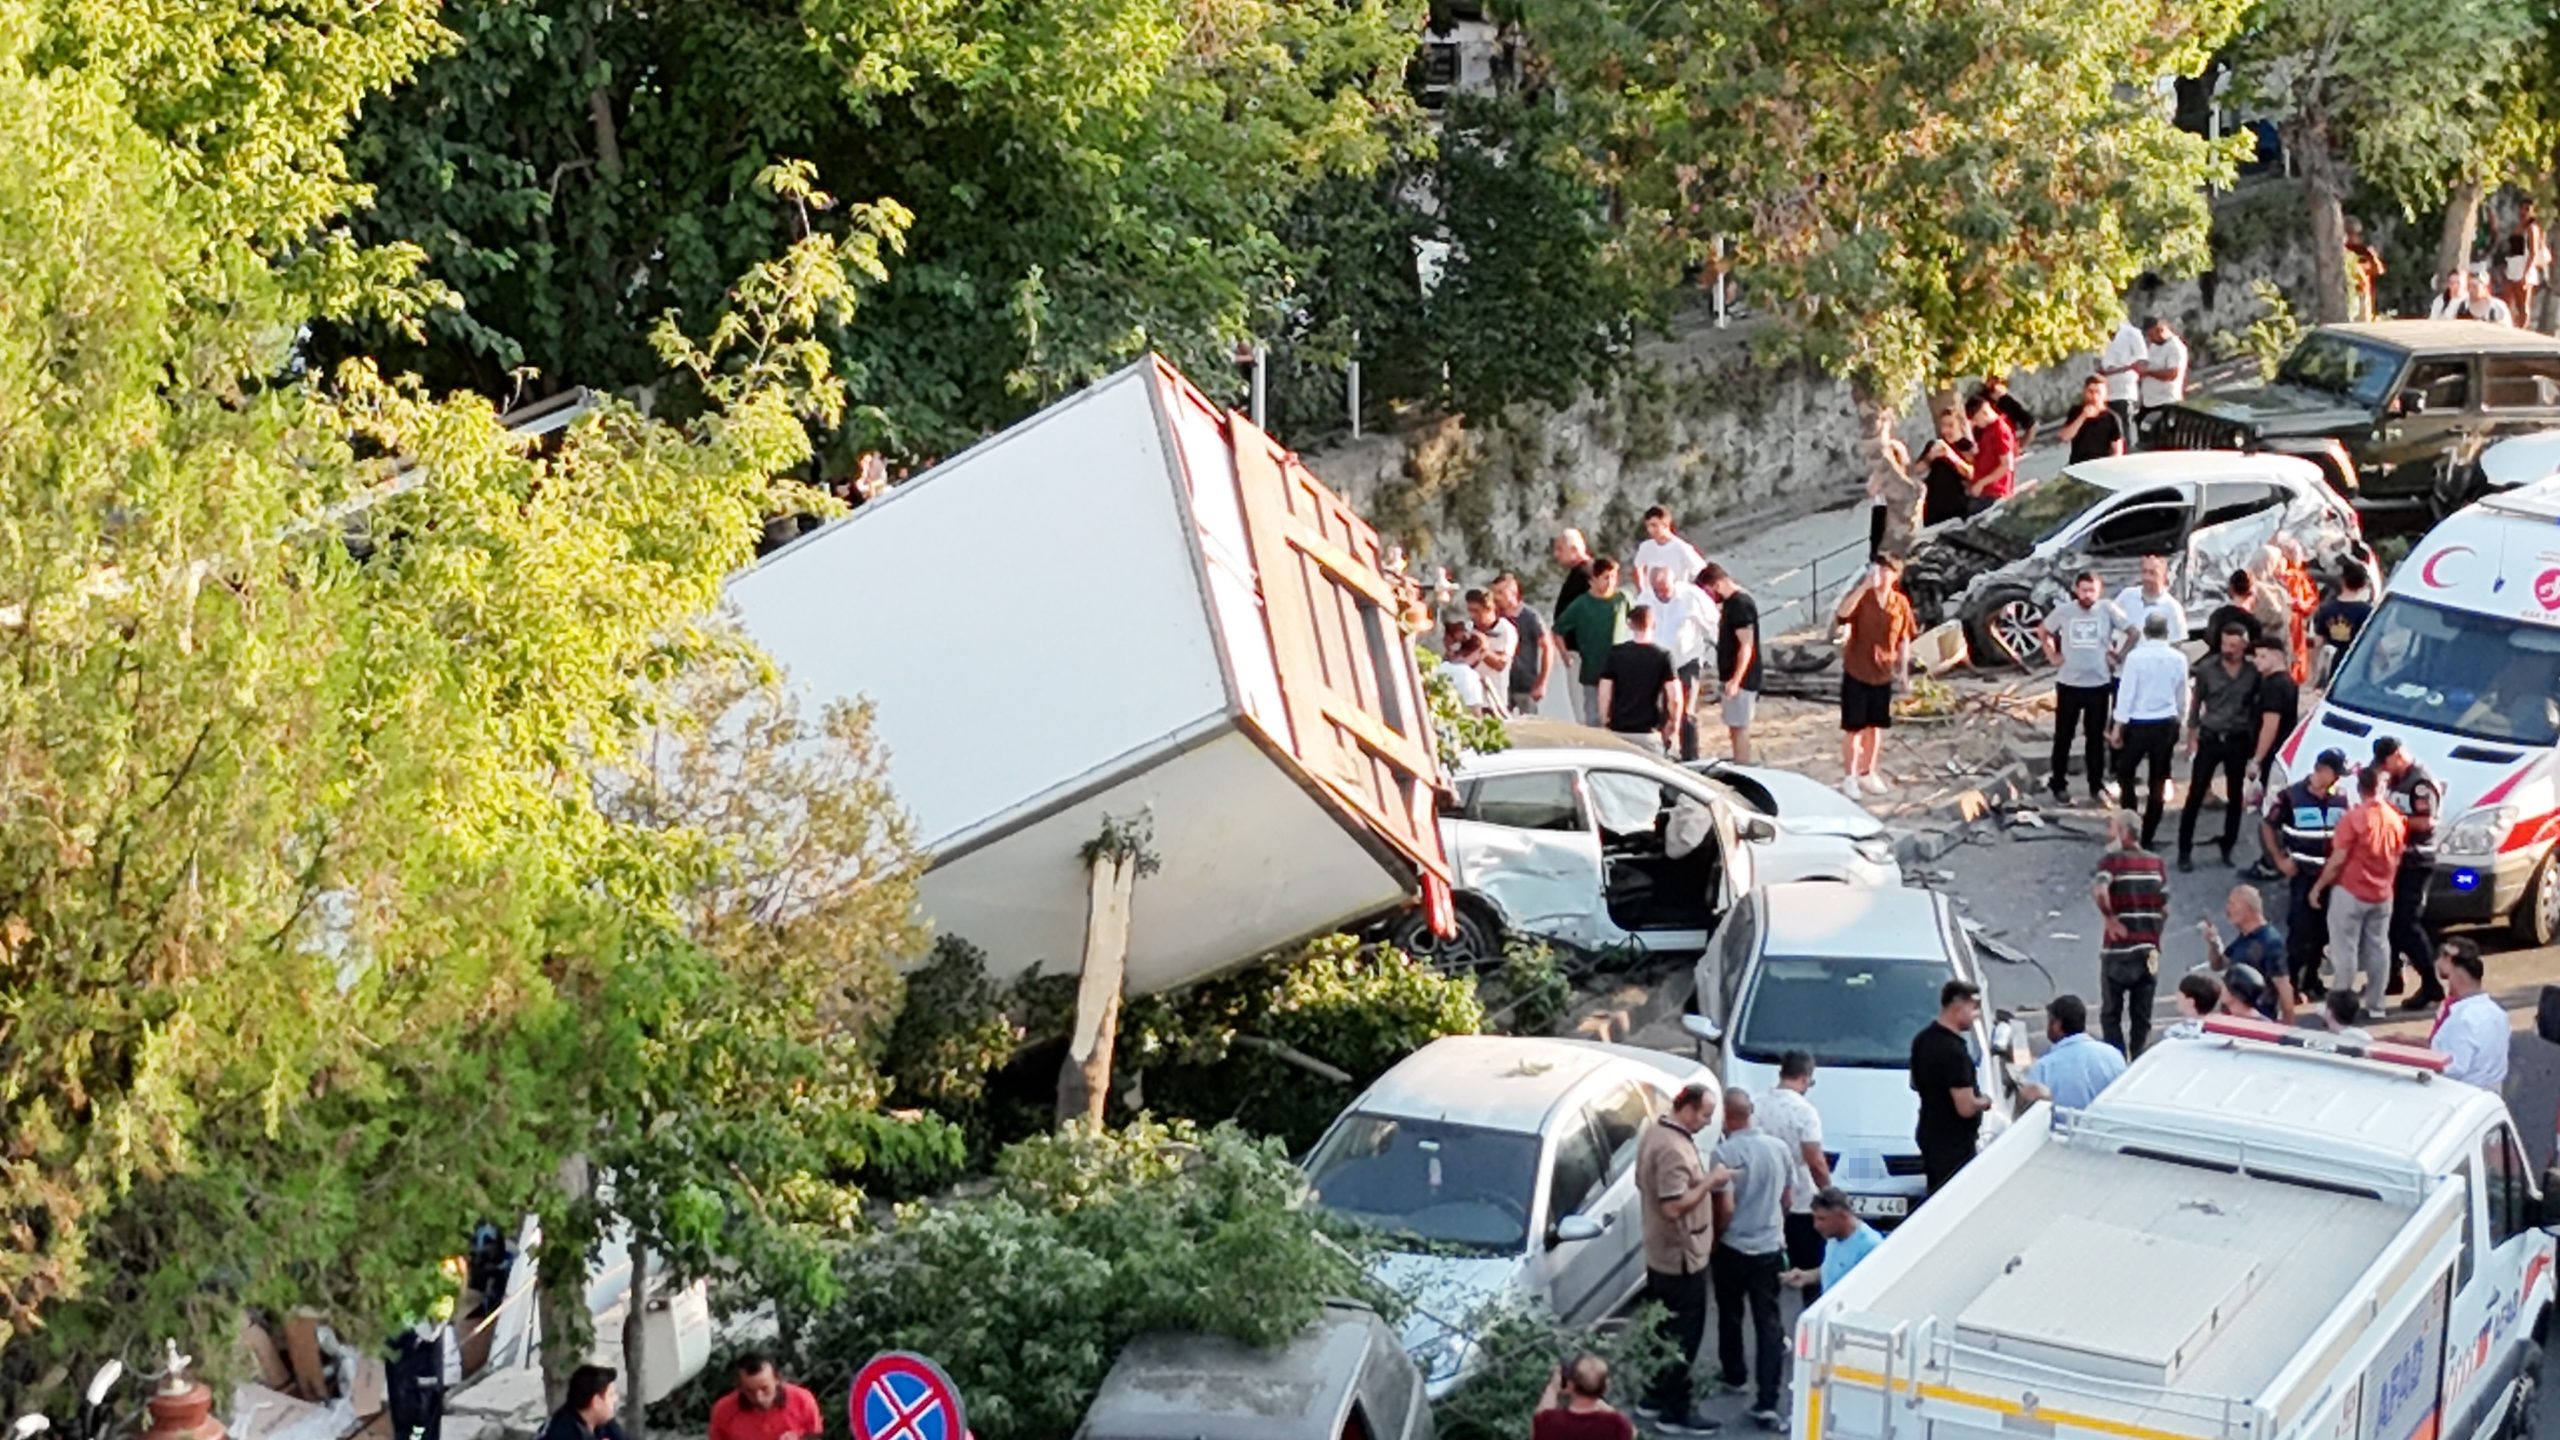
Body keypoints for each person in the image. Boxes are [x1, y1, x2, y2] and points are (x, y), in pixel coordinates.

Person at [1634, 1083, 1729, 1435]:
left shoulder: (1653, 1130)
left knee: (1661, 1329)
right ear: (1686, 1108)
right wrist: (1709, 1183)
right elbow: (1673, 1206)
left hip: (1660, 1250)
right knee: (1684, 1337)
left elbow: (1643, 1183)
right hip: (1681, 1256)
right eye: (1704, 1114)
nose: (1707, 1122)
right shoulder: (1673, 1149)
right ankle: (1676, 1411)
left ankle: (1654, 1395)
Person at [1710, 1090, 1791, 1429]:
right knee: (1768, 1322)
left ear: (1726, 1117)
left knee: (1730, 1314)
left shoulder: (1724, 1153)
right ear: (1751, 1112)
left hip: (1733, 1247)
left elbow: (1725, 1207)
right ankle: (1768, 1399)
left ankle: (1735, 1374)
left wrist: (1716, 1238)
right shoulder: (1779, 1148)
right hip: (1769, 1247)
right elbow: (1787, 1197)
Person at [2313, 765, 2406, 1019]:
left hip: (2351, 891)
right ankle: (2376, 1005)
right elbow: (2398, 855)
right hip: (2383, 892)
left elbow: (2338, 860)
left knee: (2345, 950)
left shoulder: (2353, 819)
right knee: (2379, 948)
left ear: (2359, 788)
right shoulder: (2395, 819)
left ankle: (2339, 1005)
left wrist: (2319, 887)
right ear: (2381, 787)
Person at [2264, 749, 2351, 1002]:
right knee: (2300, 931)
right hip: (2303, 874)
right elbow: (2268, 826)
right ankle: (2288, 983)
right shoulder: (2292, 796)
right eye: (2335, 774)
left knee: (2323, 932)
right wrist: (2279, 859)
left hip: (2331, 877)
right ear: (2321, 770)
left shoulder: (2341, 797)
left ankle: (2312, 979)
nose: (2338, 780)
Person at [2177, 621, 2261, 872]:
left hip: (2238, 739)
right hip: (2211, 737)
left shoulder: (2253, 673)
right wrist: (2191, 737)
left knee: (2235, 796)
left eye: (2233, 646)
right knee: (2195, 795)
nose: (2228, 650)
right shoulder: (2207, 669)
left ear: (2243, 646)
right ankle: (2184, 851)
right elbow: (2196, 705)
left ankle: (2228, 846)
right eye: (2225, 644)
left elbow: (2256, 708)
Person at [2373, 737, 2446, 1009]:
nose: (2384, 769)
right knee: (2389, 920)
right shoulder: (2394, 779)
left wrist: (2393, 821)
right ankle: (2391, 977)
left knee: (2407, 925)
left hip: (2417, 861)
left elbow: (2427, 822)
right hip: (2397, 861)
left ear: (2397, 755)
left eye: (2385, 763)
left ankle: (2432, 984)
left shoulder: (2420, 782)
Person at [1835, 557, 1915, 799]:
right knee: (1854, 727)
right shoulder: (1863, 597)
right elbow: (1842, 614)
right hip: (1857, 669)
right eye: (1877, 569)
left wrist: (1904, 671)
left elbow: (1904, 638)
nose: (1879, 573)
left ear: (1895, 576)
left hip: (1883, 672)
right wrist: (1863, 587)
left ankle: (1867, 771)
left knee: (1875, 726)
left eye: (1885, 570)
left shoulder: (1900, 603)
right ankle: (1849, 776)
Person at [1756, 1052, 1832, 1303]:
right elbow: (1815, 1161)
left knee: (1768, 1280)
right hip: (1801, 1202)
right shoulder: (1804, 1111)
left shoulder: (1757, 1104)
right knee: (1810, 1272)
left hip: (1765, 1200)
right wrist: (1828, 1190)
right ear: (1805, 1077)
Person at [2040, 572, 2122, 804]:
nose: (2087, 595)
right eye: (2083, 590)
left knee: (2095, 738)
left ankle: (2096, 785)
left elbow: (2133, 630)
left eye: (2092, 590)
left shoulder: (2107, 610)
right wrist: (2052, 654)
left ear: (2099, 591)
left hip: (2098, 684)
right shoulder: (2065, 611)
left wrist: (2118, 654)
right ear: (2076, 590)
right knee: (2063, 736)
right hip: (2069, 684)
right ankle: (2058, 783)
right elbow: (2043, 631)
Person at [2093, 808, 2170, 1056]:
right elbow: (2164, 909)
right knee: (2142, 1015)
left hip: (2118, 951)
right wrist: (2154, 935)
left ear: (2124, 832)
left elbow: (2101, 892)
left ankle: (2116, 1060)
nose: (2108, 834)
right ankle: (2138, 1058)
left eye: (2112, 828)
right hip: (2151, 953)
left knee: (2111, 1013)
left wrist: (2110, 919)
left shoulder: (2111, 862)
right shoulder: (2156, 863)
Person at [2110, 611, 2190, 849]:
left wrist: (2118, 725)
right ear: (2166, 633)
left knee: (2125, 772)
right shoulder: (2178, 658)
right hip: (2165, 722)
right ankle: (2148, 835)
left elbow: (2126, 694)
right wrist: (2181, 719)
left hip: (2138, 723)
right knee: (2159, 778)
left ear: (2145, 632)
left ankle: (2131, 820)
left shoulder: (2135, 658)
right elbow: (2182, 693)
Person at [1909, 979, 1989, 1196]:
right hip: (1953, 1144)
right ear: (1958, 1006)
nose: (1977, 1015)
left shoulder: (1922, 1040)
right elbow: (1965, 1107)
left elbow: (1915, 1083)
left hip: (1929, 1133)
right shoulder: (1954, 1052)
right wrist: (1984, 1102)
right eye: (1974, 1008)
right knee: (1955, 1198)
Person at [1637, 565, 1718, 760]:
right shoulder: (1645, 599)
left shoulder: (1692, 596)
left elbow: (1713, 624)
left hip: (1686, 661)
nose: (1661, 595)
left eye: (1665, 589)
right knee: (1660, 710)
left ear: (1674, 582)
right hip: (1656, 664)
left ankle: (1690, 757)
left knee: (1686, 711)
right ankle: (1660, 754)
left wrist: (1717, 655)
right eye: (1657, 590)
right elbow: (1634, 628)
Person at [2200, 884, 2295, 1023]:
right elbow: (2218, 965)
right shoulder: (2244, 938)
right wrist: (2213, 943)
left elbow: (2284, 986)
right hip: (2234, 1018)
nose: (2227, 910)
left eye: (2232, 904)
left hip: (2255, 1022)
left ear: (2248, 908)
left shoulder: (2270, 942)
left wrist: (2286, 1026)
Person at [2016, 993, 2127, 1111]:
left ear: (2057, 1025)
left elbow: (2030, 1110)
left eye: (2049, 1021)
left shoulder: (2044, 1068)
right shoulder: (2114, 1056)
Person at [1555, 558, 1633, 725]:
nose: (1611, 582)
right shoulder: (1581, 604)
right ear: (1593, 579)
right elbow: (1558, 630)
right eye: (1606, 577)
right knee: (1593, 717)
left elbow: (1639, 621)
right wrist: (1564, 654)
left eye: (1614, 577)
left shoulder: (1622, 599)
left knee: (1617, 716)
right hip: (1592, 670)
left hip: (1617, 671)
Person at [1597, 604, 1683, 752]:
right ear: (1654, 625)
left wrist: (1604, 719)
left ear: (1630, 625)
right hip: (1649, 732)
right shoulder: (1663, 656)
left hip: (1619, 730)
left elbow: (1604, 691)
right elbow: (1674, 697)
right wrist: (1673, 723)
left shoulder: (1616, 654)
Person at [2430, 938, 2507, 1091]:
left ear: (2448, 960)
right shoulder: (2498, 1014)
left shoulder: (2462, 1020)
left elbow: (2448, 1069)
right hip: (2490, 1097)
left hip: (2457, 1097)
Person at [1703, 564, 1762, 762]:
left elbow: (1746, 645)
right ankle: (1739, 761)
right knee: (1734, 726)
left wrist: (1737, 680)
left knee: (1741, 727)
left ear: (1717, 585)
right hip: (1729, 674)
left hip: (1741, 678)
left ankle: (1743, 765)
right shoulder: (1730, 604)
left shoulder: (1741, 605)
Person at [1780, 1187, 1884, 1297]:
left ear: (1843, 1216)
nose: (1816, 1225)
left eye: (1822, 1219)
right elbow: (1835, 1270)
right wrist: (1807, 1276)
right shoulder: (1833, 1236)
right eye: (1815, 1218)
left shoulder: (1870, 1246)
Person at [708, 1355, 822, 1440]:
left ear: (777, 1379)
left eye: (765, 1389)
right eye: (749, 1391)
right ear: (739, 1387)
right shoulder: (723, 1410)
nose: (759, 1397)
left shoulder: (802, 1400)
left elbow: (816, 1436)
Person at [1493, 573, 1554, 716]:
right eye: (1495, 593)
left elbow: (1548, 647)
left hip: (1526, 684)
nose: (1496, 597)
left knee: (1529, 723)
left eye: (1501, 592)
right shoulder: (1495, 617)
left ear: (1513, 593)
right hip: (1502, 682)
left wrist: (1542, 682)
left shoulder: (1530, 617)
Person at [1534, 1355, 1636, 1440]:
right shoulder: (1617, 1424)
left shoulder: (1548, 1422)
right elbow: (1631, 1432)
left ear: (1570, 1385)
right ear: (1606, 1388)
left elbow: (1539, 1421)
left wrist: (1553, 1387)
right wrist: (1598, 1399)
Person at [2309, 557, 2375, 684]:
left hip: (2332, 663)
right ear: (2363, 585)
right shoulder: (2367, 611)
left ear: (2342, 581)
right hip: (2356, 665)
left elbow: (2318, 643)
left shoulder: (2326, 609)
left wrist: (2314, 671)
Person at [2111, 554, 2189, 657]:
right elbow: (2107, 624)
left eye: (2153, 573)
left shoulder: (2172, 608)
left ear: (2164, 576)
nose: (2147, 577)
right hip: (2124, 665)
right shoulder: (2127, 596)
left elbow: (2176, 643)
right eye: (2144, 572)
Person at [1918, 409, 1976, 528]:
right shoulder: (1935, 444)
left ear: (1960, 425)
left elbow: (1972, 474)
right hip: (1932, 508)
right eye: (1943, 426)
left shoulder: (1968, 447)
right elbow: (1915, 471)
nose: (1945, 430)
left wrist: (1950, 456)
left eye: (1950, 425)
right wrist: (1929, 458)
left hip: (1955, 510)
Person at [1465, 588, 1518, 716]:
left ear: (1490, 609)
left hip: (1493, 700)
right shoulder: (1468, 627)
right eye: (1470, 611)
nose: (1473, 616)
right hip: (1470, 698)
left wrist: (1482, 648)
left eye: (1477, 611)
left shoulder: (1505, 629)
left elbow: (1500, 664)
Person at [1963, 390, 2018, 513]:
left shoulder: (2001, 431)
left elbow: (2006, 465)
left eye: (1976, 420)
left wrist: (1981, 483)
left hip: (1994, 493)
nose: (1976, 424)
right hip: (1984, 491)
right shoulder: (1988, 430)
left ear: (1984, 412)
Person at [537, 1368, 626, 1440]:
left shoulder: (602, 1421)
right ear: (596, 1401)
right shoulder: (564, 1432)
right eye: (611, 1395)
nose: (616, 1399)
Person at [2055, 373, 2126, 464]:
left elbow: (2117, 450)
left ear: (2105, 395)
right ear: (2084, 392)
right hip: (2078, 464)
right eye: (2090, 391)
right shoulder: (2076, 412)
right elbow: (2065, 437)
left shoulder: (2112, 418)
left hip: (2100, 464)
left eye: (2098, 392)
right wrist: (2083, 416)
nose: (2094, 396)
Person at [2098, 315, 2147, 441]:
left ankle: (2128, 449)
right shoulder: (2098, 336)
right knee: (2109, 429)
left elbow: (2141, 363)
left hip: (2124, 391)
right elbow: (2099, 368)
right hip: (2104, 392)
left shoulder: (2132, 334)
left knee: (2125, 425)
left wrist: (2119, 370)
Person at [1633, 506, 1708, 586]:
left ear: (1665, 525)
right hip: (1652, 593)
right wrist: (1642, 589)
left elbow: (1703, 572)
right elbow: (1637, 567)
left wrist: (1690, 590)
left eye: (1654, 525)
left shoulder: (1682, 548)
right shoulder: (1645, 547)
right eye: (1648, 526)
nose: (1650, 530)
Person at [2138, 316, 2189, 409]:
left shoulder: (2175, 347)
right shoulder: (2154, 346)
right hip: (2149, 402)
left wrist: (2148, 372)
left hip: (2166, 402)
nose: (2150, 339)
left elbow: (2172, 374)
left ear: (2160, 330)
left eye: (2151, 335)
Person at [2204, 571, 2263, 650]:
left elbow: (2210, 642)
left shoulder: (2217, 616)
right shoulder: (2254, 623)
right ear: (2251, 591)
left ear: (2231, 588)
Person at [2159, 971, 2222, 1043]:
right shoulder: (2219, 1032)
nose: (2176, 997)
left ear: (2190, 1002)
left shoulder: (2174, 1033)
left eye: (2180, 995)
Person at [2345, 218, 2387, 322]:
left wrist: (2372, 256)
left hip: (2365, 294)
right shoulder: (2343, 251)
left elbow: (2379, 270)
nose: (2357, 237)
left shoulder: (2364, 251)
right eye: (2354, 234)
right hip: (2351, 295)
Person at [1983, 373, 2037, 449]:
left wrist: (2018, 447)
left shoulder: (2009, 402)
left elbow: (2032, 425)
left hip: (2005, 447)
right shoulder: (1981, 401)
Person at [1554, 529, 1596, 615]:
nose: (1556, 554)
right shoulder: (1583, 572)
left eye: (1560, 549)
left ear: (1574, 549)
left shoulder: (1584, 575)